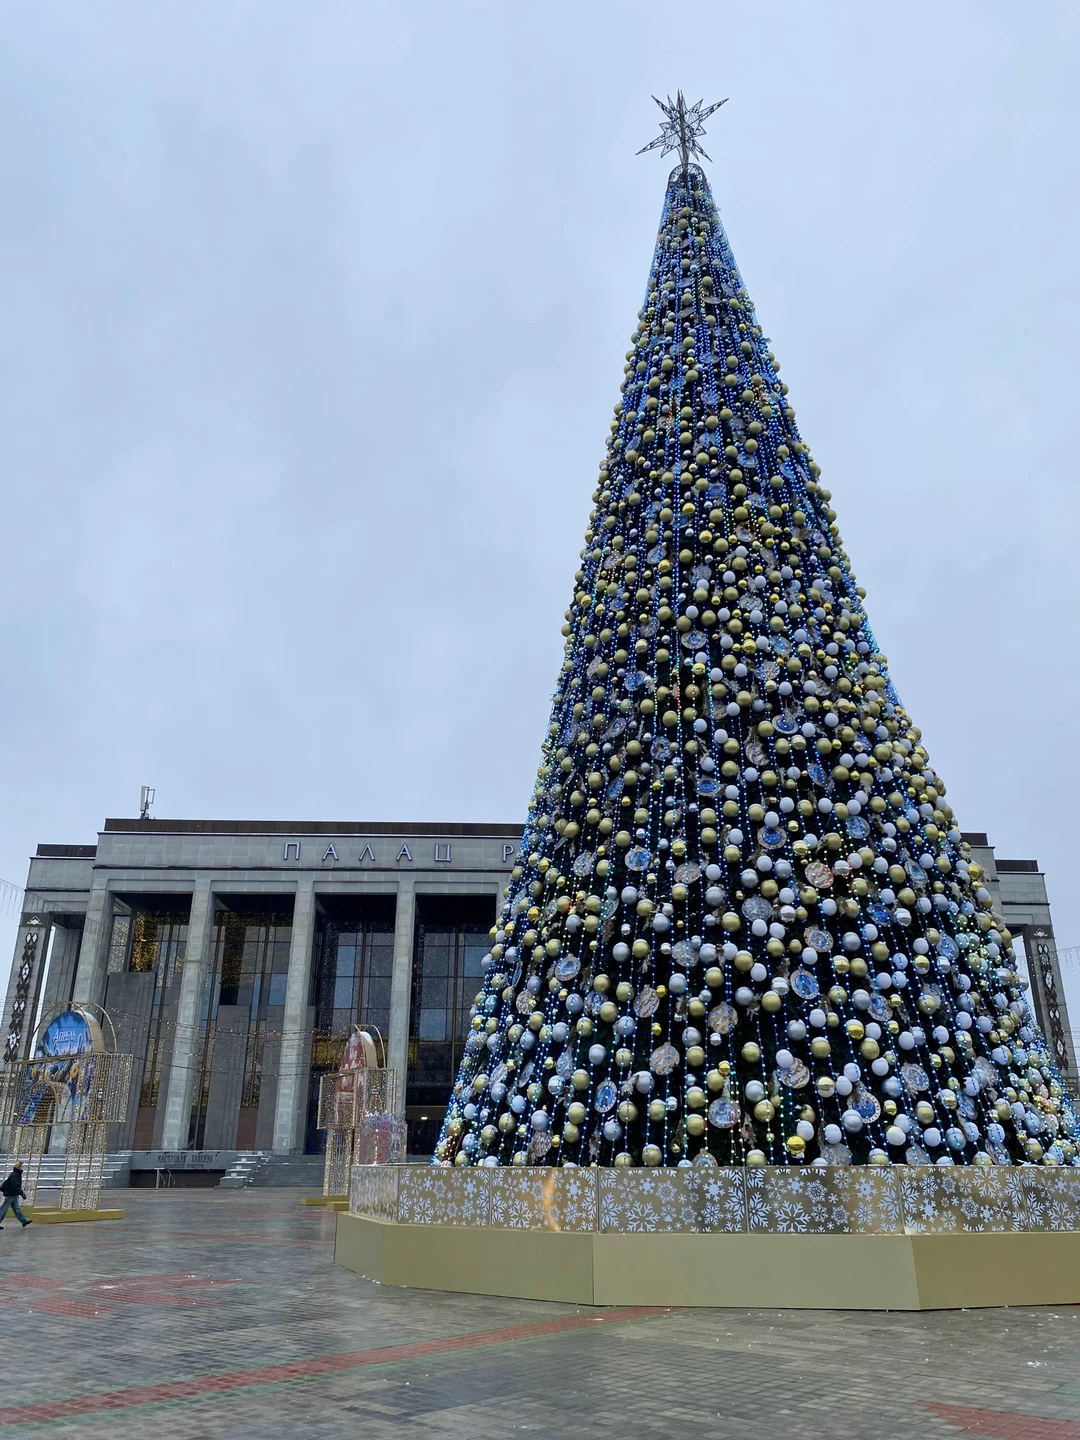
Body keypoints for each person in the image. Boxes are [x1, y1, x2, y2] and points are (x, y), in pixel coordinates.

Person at [0, 1162, 31, 1227]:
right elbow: (15, 1186)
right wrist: (21, 1193)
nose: (23, 1167)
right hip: (10, 1194)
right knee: (4, 1209)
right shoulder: (15, 1175)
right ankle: (23, 1221)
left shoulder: (16, 1174)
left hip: (13, 1194)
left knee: (16, 1208)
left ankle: (23, 1221)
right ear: (19, 1167)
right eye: (22, 1166)